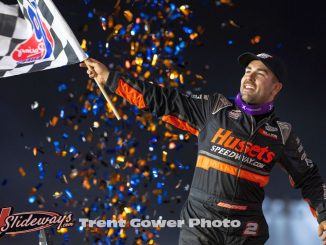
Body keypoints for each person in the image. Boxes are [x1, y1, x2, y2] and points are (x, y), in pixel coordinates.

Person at [81, 52, 326, 245]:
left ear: (276, 88)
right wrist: (111, 79)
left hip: (246, 232)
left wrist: (324, 215)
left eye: (260, 73)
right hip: (201, 225)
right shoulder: (213, 108)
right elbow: (161, 99)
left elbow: (309, 178)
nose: (249, 77)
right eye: (247, 70)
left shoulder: (282, 134)